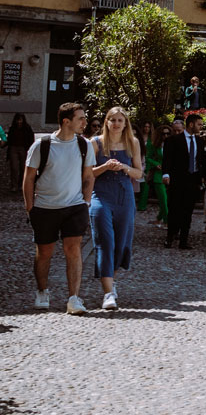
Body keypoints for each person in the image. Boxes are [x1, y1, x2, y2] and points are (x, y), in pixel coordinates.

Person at [23, 102, 96, 314]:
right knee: (45, 251)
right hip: (45, 207)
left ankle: (74, 298)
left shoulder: (84, 145)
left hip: (75, 206)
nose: (85, 122)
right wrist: (30, 208)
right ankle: (42, 291)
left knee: (73, 250)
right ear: (66, 121)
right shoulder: (42, 145)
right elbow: (28, 179)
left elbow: (89, 176)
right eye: (80, 118)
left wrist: (86, 202)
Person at [89, 106, 143, 310]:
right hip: (101, 195)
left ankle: (112, 280)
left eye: (120, 120)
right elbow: (87, 173)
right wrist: (104, 167)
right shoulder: (95, 143)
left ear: (125, 123)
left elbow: (138, 173)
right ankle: (108, 293)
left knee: (121, 242)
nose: (116, 124)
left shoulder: (133, 143)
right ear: (106, 122)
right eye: (112, 120)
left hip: (124, 195)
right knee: (105, 240)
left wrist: (124, 167)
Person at [162, 114, 206, 250]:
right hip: (177, 180)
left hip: (192, 179)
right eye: (199, 124)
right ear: (191, 124)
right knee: (174, 209)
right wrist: (166, 174)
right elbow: (167, 159)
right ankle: (170, 237)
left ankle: (184, 240)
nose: (201, 127)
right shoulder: (173, 140)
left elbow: (203, 161)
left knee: (188, 211)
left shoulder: (200, 142)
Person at [139, 121, 168, 223]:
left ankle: (159, 219)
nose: (166, 135)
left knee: (168, 200)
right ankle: (167, 221)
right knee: (163, 199)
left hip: (170, 174)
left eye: (168, 133)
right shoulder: (154, 144)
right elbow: (147, 157)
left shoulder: (172, 144)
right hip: (158, 175)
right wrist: (156, 163)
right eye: (163, 134)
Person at [8, 113, 36, 191]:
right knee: (14, 167)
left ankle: (21, 184)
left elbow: (31, 139)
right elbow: (9, 139)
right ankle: (14, 185)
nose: (19, 122)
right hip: (14, 148)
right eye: (18, 120)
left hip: (23, 149)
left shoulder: (27, 128)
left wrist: (30, 149)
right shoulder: (12, 128)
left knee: (23, 168)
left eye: (20, 120)